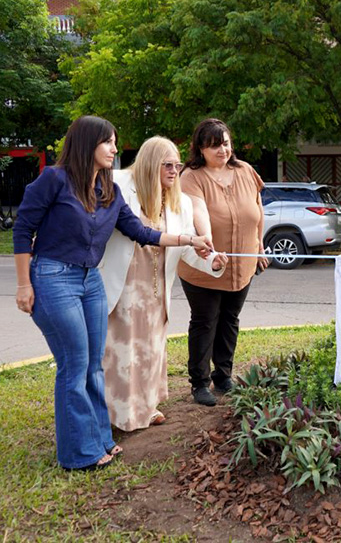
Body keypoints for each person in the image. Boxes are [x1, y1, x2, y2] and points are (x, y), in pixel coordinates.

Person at [13, 116, 211, 471]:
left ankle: (100, 439)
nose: (114, 149)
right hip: (53, 277)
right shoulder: (54, 180)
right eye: (108, 142)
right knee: (74, 366)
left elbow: (141, 232)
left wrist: (189, 239)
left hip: (91, 281)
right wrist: (24, 284)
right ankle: (79, 454)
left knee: (94, 366)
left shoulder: (109, 191)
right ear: (87, 143)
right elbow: (23, 230)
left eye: (114, 142)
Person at [99, 136, 228, 431]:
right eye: (167, 165)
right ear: (149, 164)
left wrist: (212, 262)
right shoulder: (119, 185)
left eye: (177, 165)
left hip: (156, 288)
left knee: (150, 350)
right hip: (123, 285)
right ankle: (115, 414)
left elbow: (188, 248)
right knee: (120, 352)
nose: (174, 171)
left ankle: (146, 407)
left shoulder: (181, 202)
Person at [178, 118, 268, 407]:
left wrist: (260, 246)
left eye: (226, 144)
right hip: (203, 264)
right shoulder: (191, 177)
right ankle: (199, 382)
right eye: (214, 145)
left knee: (230, 319)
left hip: (243, 264)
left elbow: (258, 210)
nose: (222, 150)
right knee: (205, 321)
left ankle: (223, 375)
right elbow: (198, 211)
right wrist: (207, 241)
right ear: (200, 148)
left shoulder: (245, 171)